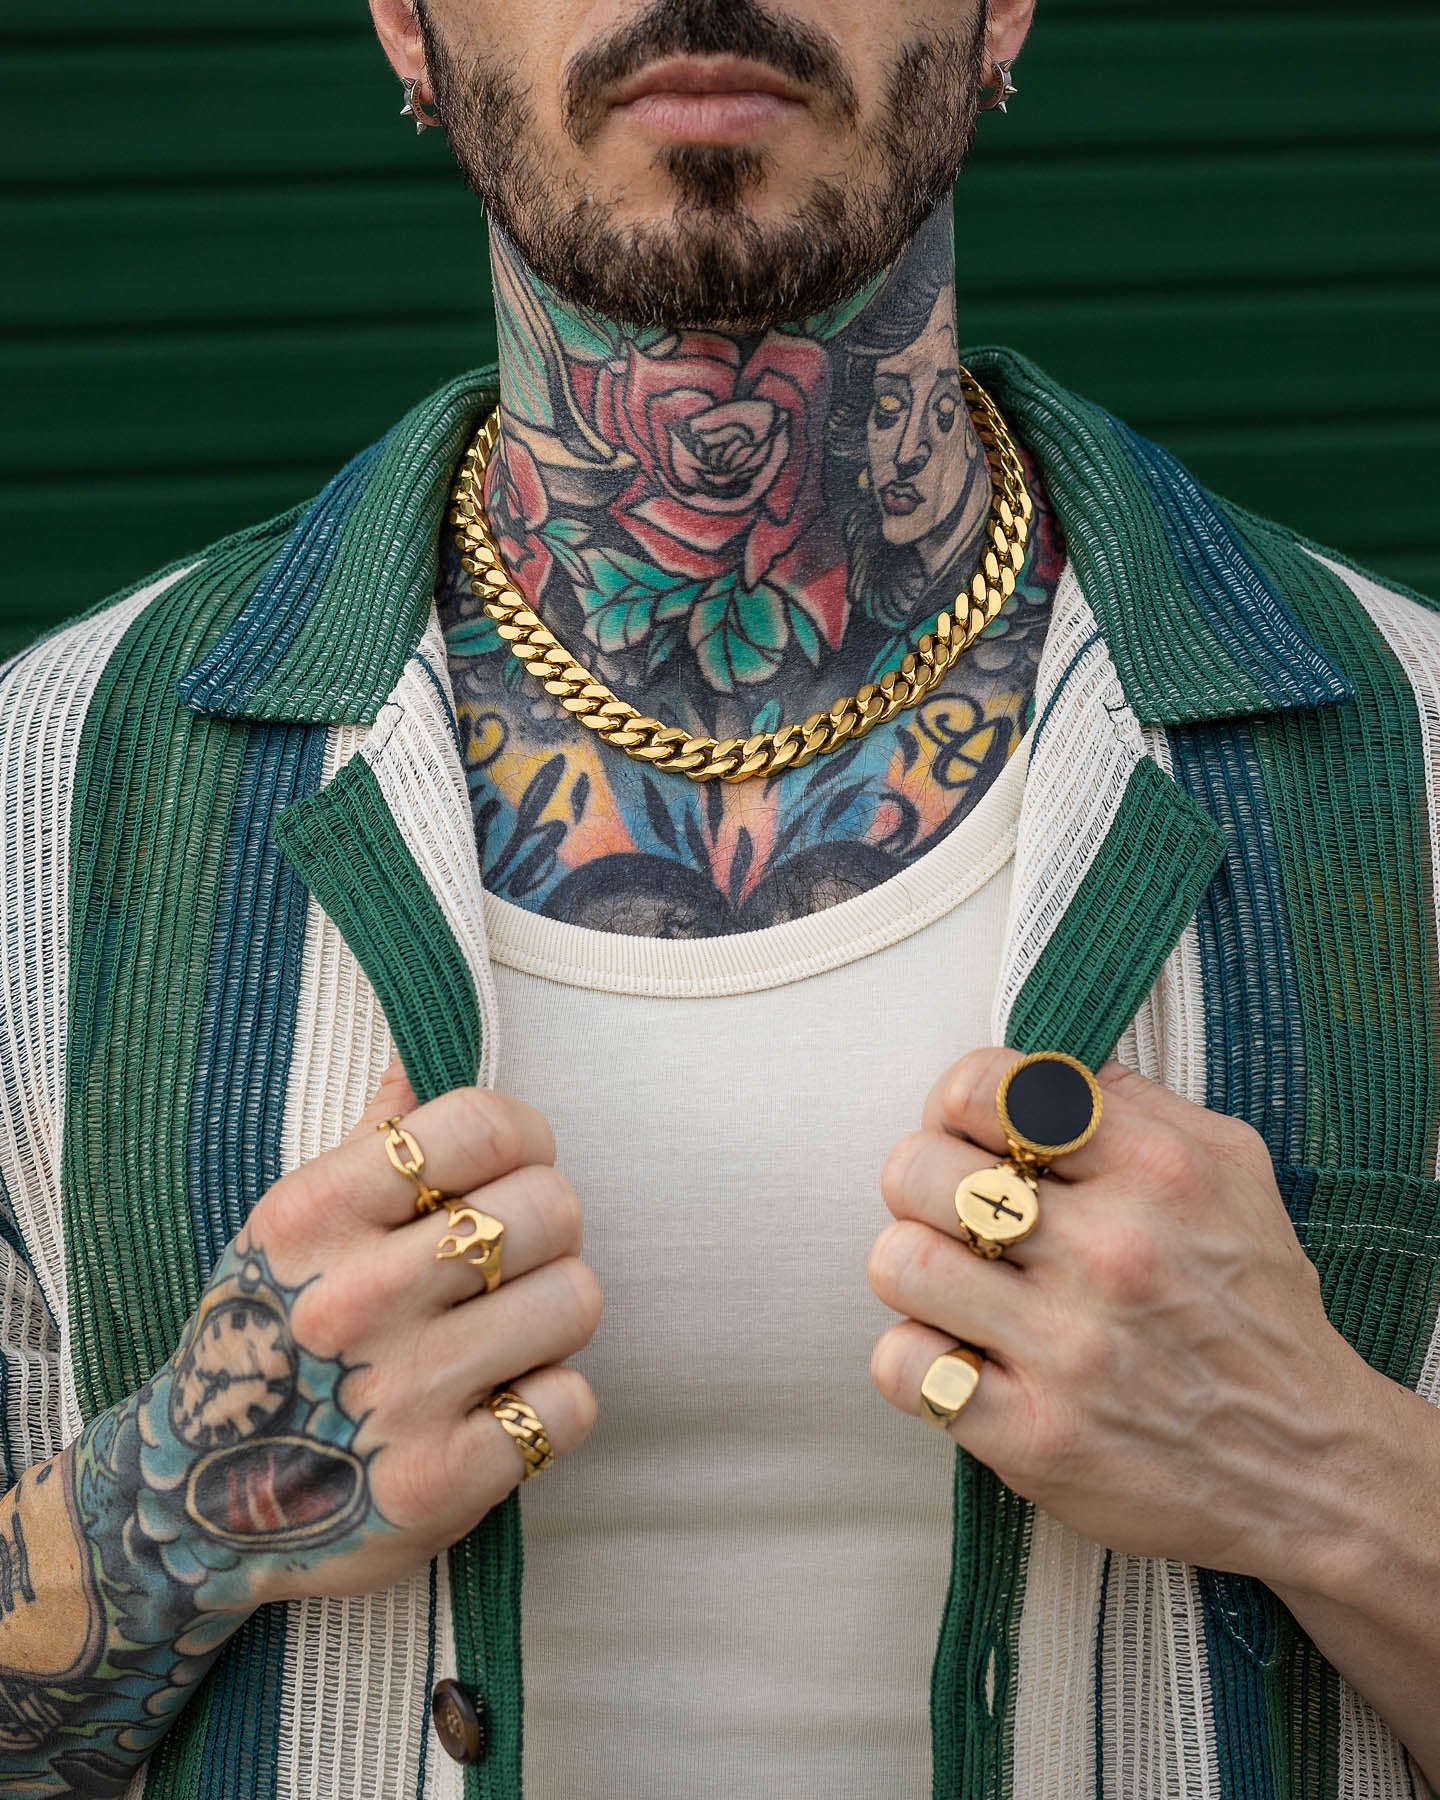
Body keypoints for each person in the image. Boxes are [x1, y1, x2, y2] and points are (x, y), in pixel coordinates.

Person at [0, 0, 1436, 1795]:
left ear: (1001, 13)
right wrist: (171, 1519)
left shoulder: (1420, 767)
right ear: (405, 22)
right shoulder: (40, 797)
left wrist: (1335, 1472)